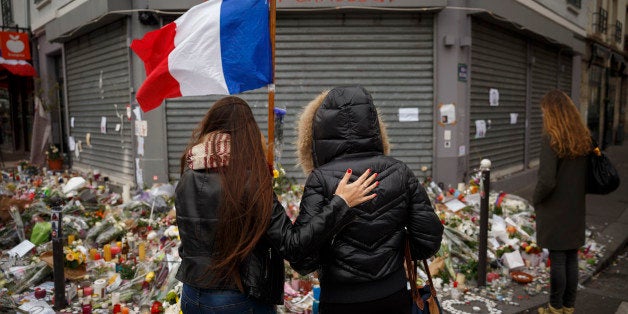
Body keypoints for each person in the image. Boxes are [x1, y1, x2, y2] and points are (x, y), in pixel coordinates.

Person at [175, 96, 378, 313]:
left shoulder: (188, 174)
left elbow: (189, 241)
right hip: (236, 299)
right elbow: (292, 244)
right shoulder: (250, 182)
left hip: (191, 294)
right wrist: (341, 203)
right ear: (249, 133)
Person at [291, 86, 444, 313]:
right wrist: (393, 247)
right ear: (374, 124)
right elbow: (428, 240)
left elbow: (303, 259)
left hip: (340, 300)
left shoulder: (320, 180)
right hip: (392, 294)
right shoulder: (400, 172)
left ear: (320, 130)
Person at [533, 90, 591, 314]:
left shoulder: (551, 137)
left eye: (544, 111)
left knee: (558, 259)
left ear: (551, 112)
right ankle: (568, 306)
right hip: (575, 207)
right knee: (570, 258)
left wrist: (536, 198)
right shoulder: (582, 136)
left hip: (555, 209)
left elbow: (547, 180)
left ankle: (555, 308)